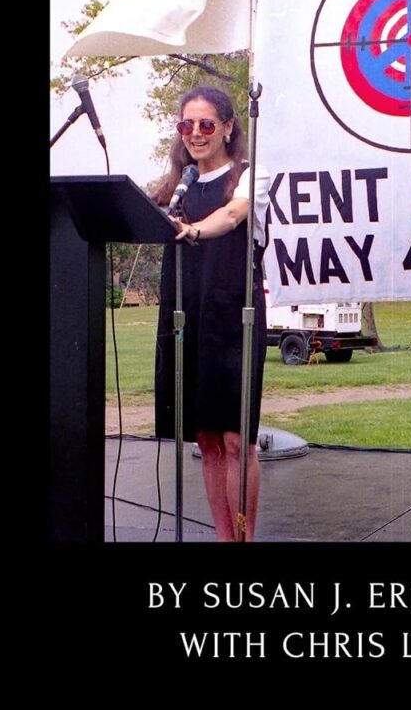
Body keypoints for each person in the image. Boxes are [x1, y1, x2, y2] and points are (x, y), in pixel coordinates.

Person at [154, 86, 270, 542]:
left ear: (227, 127)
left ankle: (246, 539)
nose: (196, 134)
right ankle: (225, 538)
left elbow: (233, 216)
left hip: (233, 317)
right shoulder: (176, 186)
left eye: (206, 125)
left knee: (237, 439)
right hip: (190, 315)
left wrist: (193, 230)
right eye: (187, 126)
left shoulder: (248, 175)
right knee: (205, 439)